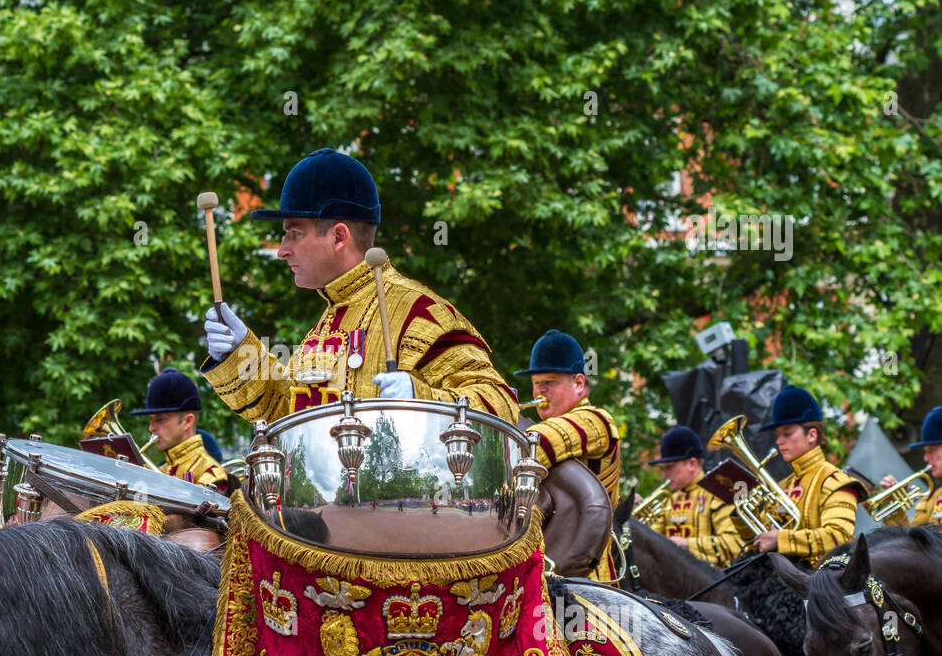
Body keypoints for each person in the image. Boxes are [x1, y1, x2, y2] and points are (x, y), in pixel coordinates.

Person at [201, 149, 518, 424]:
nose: (282, 250)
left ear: (339, 236)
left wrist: (421, 398)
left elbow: (500, 402)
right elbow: (285, 417)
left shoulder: (420, 312)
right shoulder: (324, 324)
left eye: (293, 233)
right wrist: (241, 351)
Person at [514, 330, 619, 581]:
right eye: (536, 382)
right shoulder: (538, 422)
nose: (540, 390)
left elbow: (534, 446)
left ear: (579, 384)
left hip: (586, 576)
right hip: (544, 563)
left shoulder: (597, 420)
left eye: (550, 382)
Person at [752, 385, 859, 563]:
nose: (779, 441)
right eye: (777, 435)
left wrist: (780, 540)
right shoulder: (783, 485)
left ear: (812, 435)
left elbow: (838, 537)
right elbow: (757, 539)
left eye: (787, 433)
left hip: (820, 583)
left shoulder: (835, 480)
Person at [639, 425, 744, 566]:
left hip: (715, 582)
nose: (665, 474)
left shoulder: (718, 492)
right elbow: (649, 542)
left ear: (692, 464)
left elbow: (735, 544)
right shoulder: (669, 501)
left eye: (669, 467)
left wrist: (686, 544)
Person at [129, 369, 228, 493]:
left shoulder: (212, 474)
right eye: (151, 419)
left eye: (160, 419)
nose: (151, 428)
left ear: (187, 421)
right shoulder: (163, 469)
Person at [878, 405, 942, 528]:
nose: (926, 458)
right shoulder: (933, 498)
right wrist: (892, 504)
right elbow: (911, 543)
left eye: (932, 451)